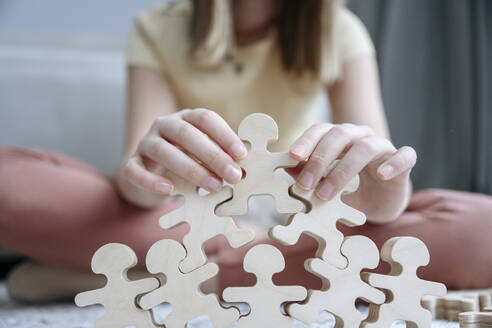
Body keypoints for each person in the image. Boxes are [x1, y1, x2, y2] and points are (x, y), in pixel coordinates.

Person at [1, 0, 492, 302]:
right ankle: (204, 270)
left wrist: (387, 194)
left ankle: (134, 276)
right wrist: (144, 170)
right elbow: (138, 192)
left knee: (482, 230)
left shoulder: (341, 31)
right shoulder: (157, 27)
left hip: (299, 226)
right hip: (184, 220)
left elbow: (371, 187)